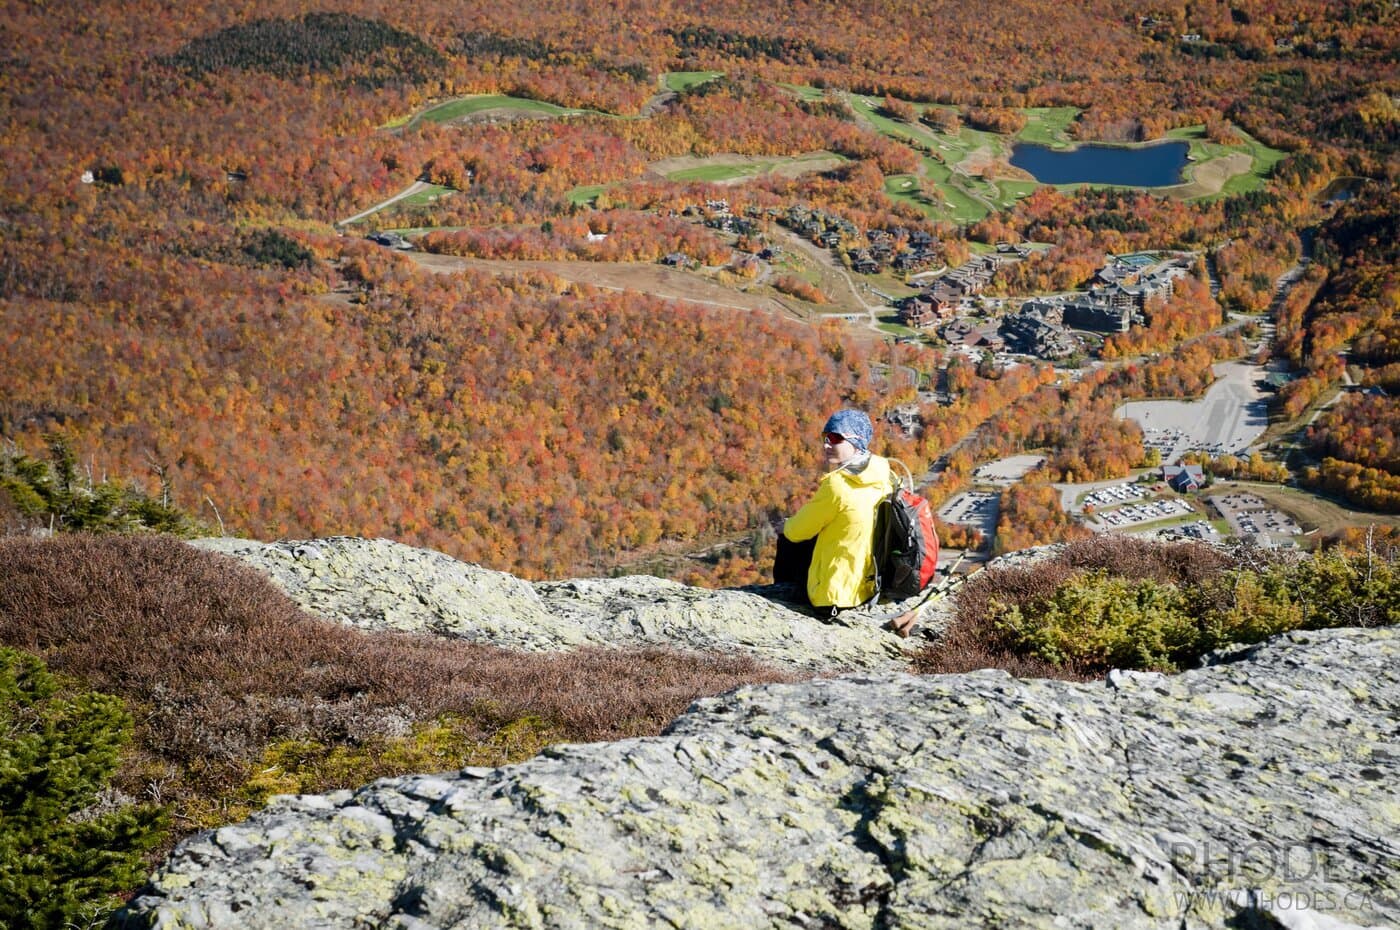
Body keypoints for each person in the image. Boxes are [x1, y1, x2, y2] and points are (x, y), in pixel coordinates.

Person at [782, 409, 892, 612]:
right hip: (868, 589)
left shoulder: (837, 485)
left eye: (835, 438)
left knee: (787, 535)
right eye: (825, 437)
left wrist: (786, 525)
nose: (826, 444)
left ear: (856, 442)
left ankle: (786, 591)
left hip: (833, 596)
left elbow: (796, 532)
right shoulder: (885, 476)